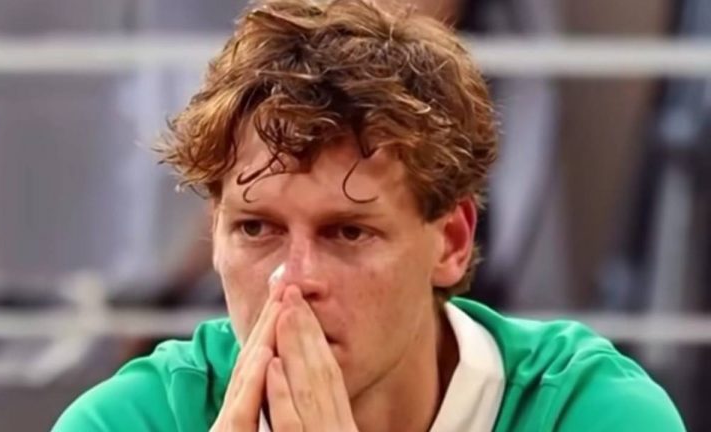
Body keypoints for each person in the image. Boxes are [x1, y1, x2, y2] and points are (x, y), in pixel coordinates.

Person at [52, 0, 685, 430]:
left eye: (348, 232)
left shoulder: (592, 413)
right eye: (256, 228)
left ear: (451, 241)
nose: (292, 279)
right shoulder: (130, 420)